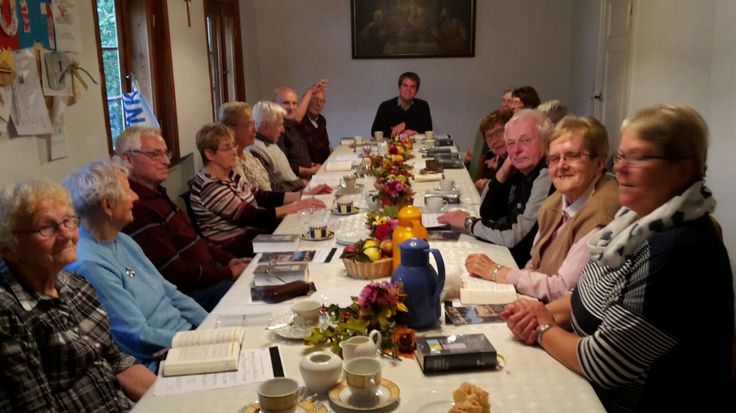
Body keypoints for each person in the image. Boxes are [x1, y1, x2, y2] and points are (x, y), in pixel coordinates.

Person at [502, 104, 733, 411]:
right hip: (583, 376)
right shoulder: (633, 219)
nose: (620, 168)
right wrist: (535, 314)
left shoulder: (676, 249)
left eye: (640, 158)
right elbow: (583, 298)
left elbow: (602, 364)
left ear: (683, 170)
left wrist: (543, 329)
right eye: (621, 156)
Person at [0, 180, 155, 411]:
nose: (66, 234)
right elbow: (36, 407)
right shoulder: (7, 313)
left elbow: (116, 360)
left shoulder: (74, 283)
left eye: (68, 221)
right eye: (46, 227)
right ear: (8, 248)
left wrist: (171, 400)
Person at [64, 160, 208, 370]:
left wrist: (211, 326)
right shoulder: (90, 264)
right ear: (107, 205)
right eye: (129, 191)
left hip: (185, 337)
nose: (136, 197)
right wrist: (198, 341)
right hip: (164, 357)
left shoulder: (123, 240)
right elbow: (137, 335)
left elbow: (170, 293)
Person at [465, 116, 619, 302]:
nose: (561, 165)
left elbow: (564, 289)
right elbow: (534, 262)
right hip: (536, 299)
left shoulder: (601, 212)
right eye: (554, 158)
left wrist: (498, 272)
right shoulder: (557, 200)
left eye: (572, 156)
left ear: (599, 164)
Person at [115, 126, 250, 312]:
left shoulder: (157, 194)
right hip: (191, 295)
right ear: (128, 159)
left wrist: (229, 261)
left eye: (166, 153)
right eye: (155, 154)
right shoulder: (136, 207)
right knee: (260, 294)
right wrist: (227, 273)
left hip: (211, 276)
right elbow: (175, 272)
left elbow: (195, 240)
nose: (166, 161)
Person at [190, 123, 326, 256]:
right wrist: (295, 206)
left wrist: (303, 195)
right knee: (308, 242)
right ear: (209, 154)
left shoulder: (229, 174)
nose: (234, 152)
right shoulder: (209, 186)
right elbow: (251, 217)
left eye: (233, 145)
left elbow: (260, 196)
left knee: (312, 229)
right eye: (227, 148)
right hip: (237, 247)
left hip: (254, 236)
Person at [438, 109, 553, 266]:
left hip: (524, 266)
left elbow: (515, 236)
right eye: (511, 143)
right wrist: (502, 172)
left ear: (546, 141)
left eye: (525, 141)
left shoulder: (546, 174)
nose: (516, 150)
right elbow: (487, 213)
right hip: (511, 257)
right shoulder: (518, 170)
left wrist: (469, 223)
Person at [249, 101, 309, 192]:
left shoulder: (271, 142)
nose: (283, 130)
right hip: (292, 195)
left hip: (298, 189)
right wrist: (301, 183)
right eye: (280, 125)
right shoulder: (256, 151)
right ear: (265, 126)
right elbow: (273, 190)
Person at [274, 82, 327, 177]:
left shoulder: (291, 125)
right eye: (286, 103)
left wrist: (314, 166)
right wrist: (309, 171)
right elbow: (283, 165)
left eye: (294, 103)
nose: (291, 107)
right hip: (299, 179)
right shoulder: (276, 130)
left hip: (313, 170)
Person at [219, 101, 273, 191]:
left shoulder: (247, 154)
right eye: (249, 125)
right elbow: (251, 197)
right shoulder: (229, 164)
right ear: (231, 129)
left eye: (254, 124)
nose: (255, 130)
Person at [371, 71, 433, 138]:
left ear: (417, 90)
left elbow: (428, 131)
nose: (408, 89)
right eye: (405, 85)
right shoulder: (385, 106)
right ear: (399, 87)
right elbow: (375, 131)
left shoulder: (423, 106)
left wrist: (405, 124)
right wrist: (403, 133)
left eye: (412, 87)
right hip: (391, 145)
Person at [473, 109, 513, 192]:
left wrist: (490, 186)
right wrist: (489, 184)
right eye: (489, 136)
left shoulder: (518, 163)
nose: (494, 141)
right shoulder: (502, 159)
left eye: (499, 132)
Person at [297, 89, 333, 164]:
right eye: (315, 99)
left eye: (322, 101)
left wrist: (333, 157)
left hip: (327, 163)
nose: (318, 104)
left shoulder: (322, 120)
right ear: (307, 101)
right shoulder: (299, 121)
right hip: (312, 166)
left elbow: (327, 144)